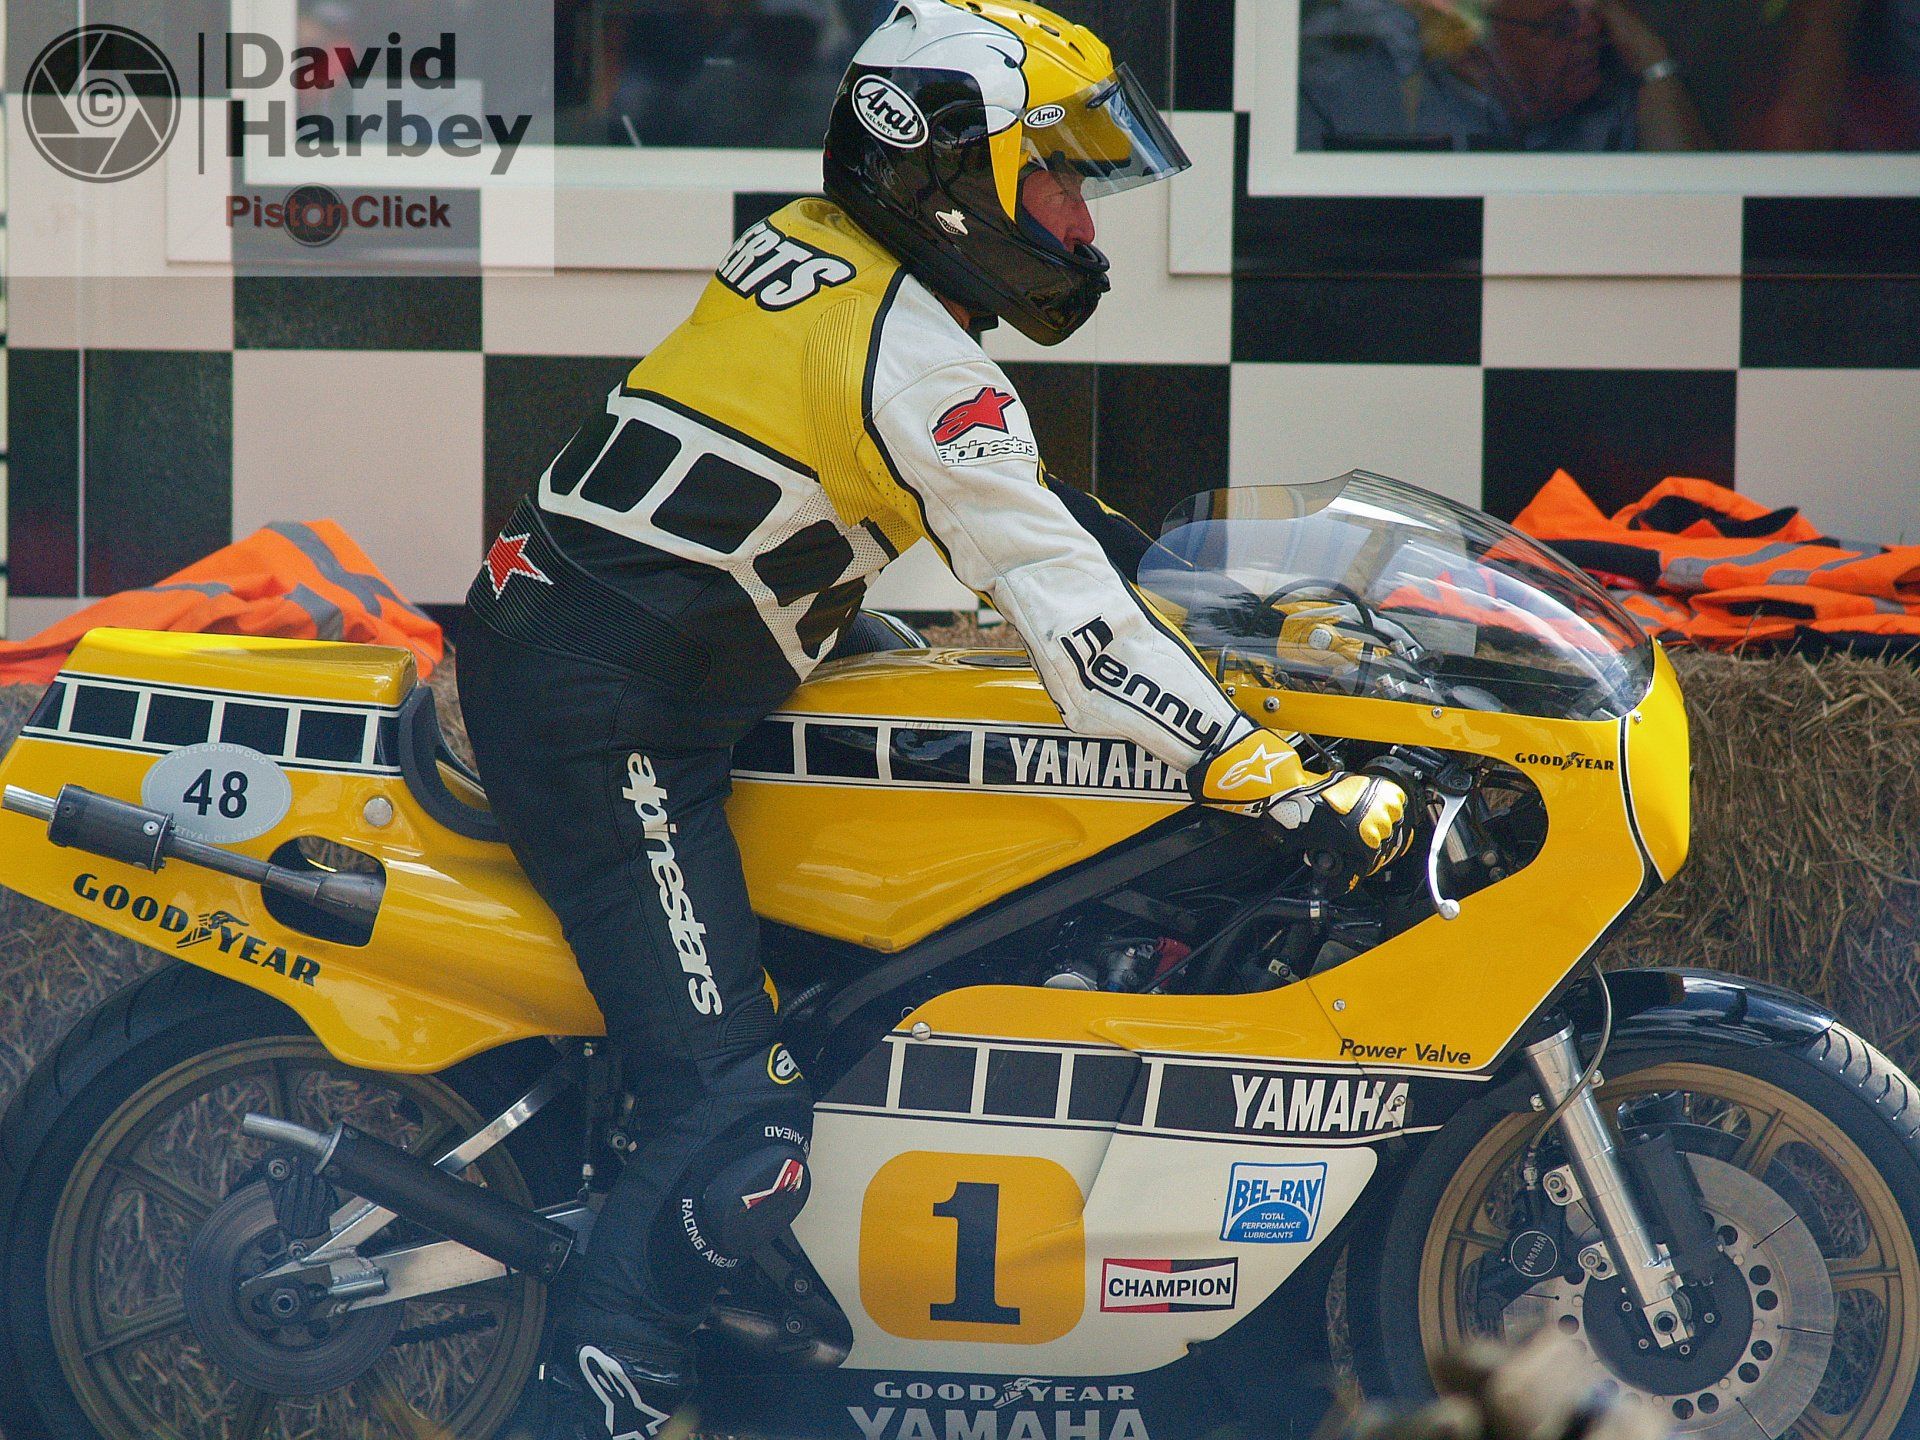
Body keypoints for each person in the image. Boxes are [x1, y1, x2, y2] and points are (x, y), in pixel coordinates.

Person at [457, 2, 1413, 1435]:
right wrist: (1254, 764)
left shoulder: (815, 244)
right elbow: (1074, 622)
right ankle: (598, 1385)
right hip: (610, 717)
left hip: (599, 647)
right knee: (743, 1116)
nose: (1084, 216)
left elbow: (1000, 518)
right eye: (1060, 175)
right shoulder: (920, 361)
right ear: (951, 176)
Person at [1299, 0, 1711, 150]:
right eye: (1563, 20)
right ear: (1477, 46)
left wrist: (1653, 63)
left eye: (1599, 12)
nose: (1593, 30)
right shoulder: (1352, 103)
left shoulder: (1613, 108)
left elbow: (1705, 228)